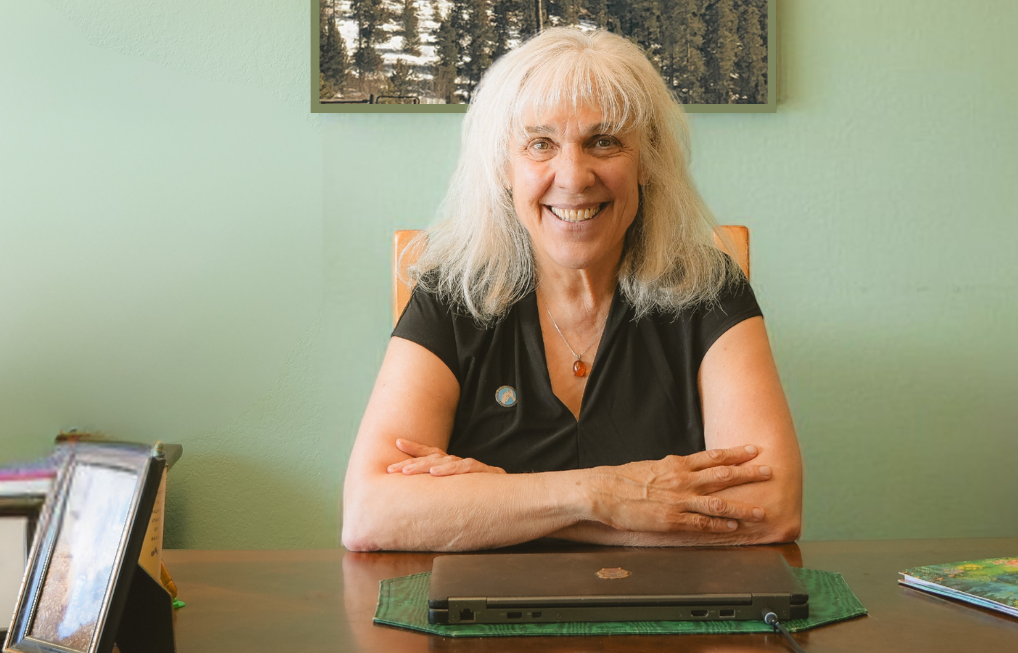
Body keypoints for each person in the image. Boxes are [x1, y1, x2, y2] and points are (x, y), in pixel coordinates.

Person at [341, 27, 803, 552]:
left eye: (603, 142)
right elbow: (369, 514)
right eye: (540, 144)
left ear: (647, 160)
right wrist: (603, 496)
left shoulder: (709, 290)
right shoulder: (451, 296)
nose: (573, 176)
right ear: (503, 167)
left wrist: (497, 503)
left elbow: (771, 509)